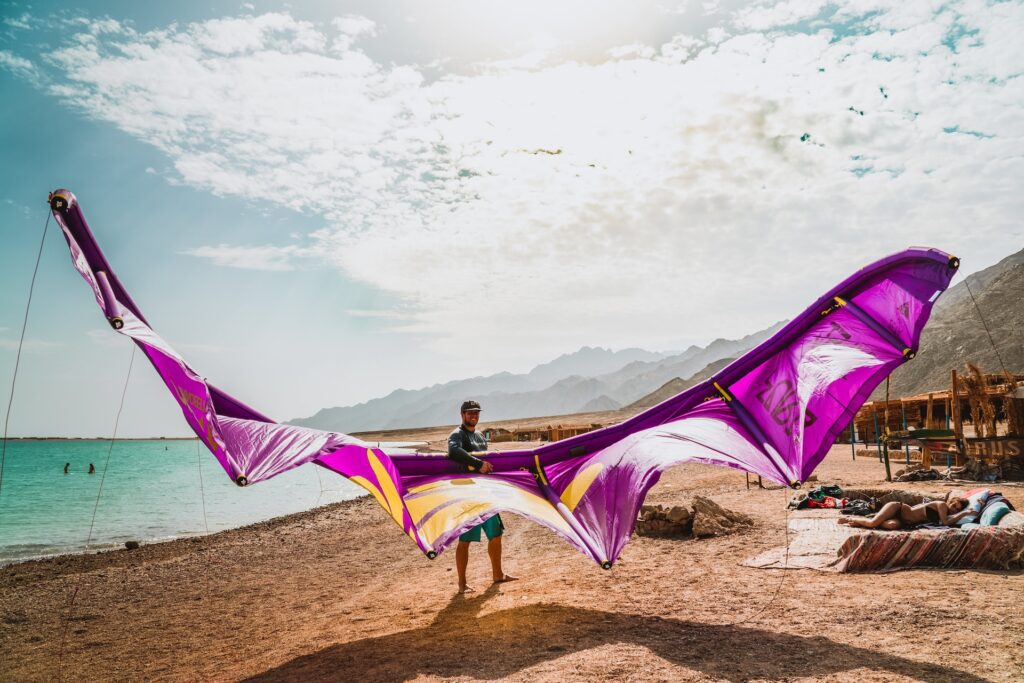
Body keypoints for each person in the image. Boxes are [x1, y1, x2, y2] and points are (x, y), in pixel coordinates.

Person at [447, 400, 516, 593]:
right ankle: (462, 584)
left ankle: (498, 574)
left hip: (485, 494)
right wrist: (478, 464)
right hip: (468, 496)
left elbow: (487, 461)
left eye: (476, 413)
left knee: (496, 534)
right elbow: (453, 451)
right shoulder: (457, 435)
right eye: (470, 413)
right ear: (462, 414)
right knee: (465, 540)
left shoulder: (479, 436)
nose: (474, 416)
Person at [838, 496, 971, 530]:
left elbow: (948, 521)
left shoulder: (948, 514)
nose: (953, 508)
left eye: (957, 509)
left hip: (902, 521)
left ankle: (863, 523)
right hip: (898, 508)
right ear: (950, 501)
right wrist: (964, 514)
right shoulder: (941, 505)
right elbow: (945, 522)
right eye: (954, 504)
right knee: (873, 523)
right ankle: (852, 519)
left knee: (892, 526)